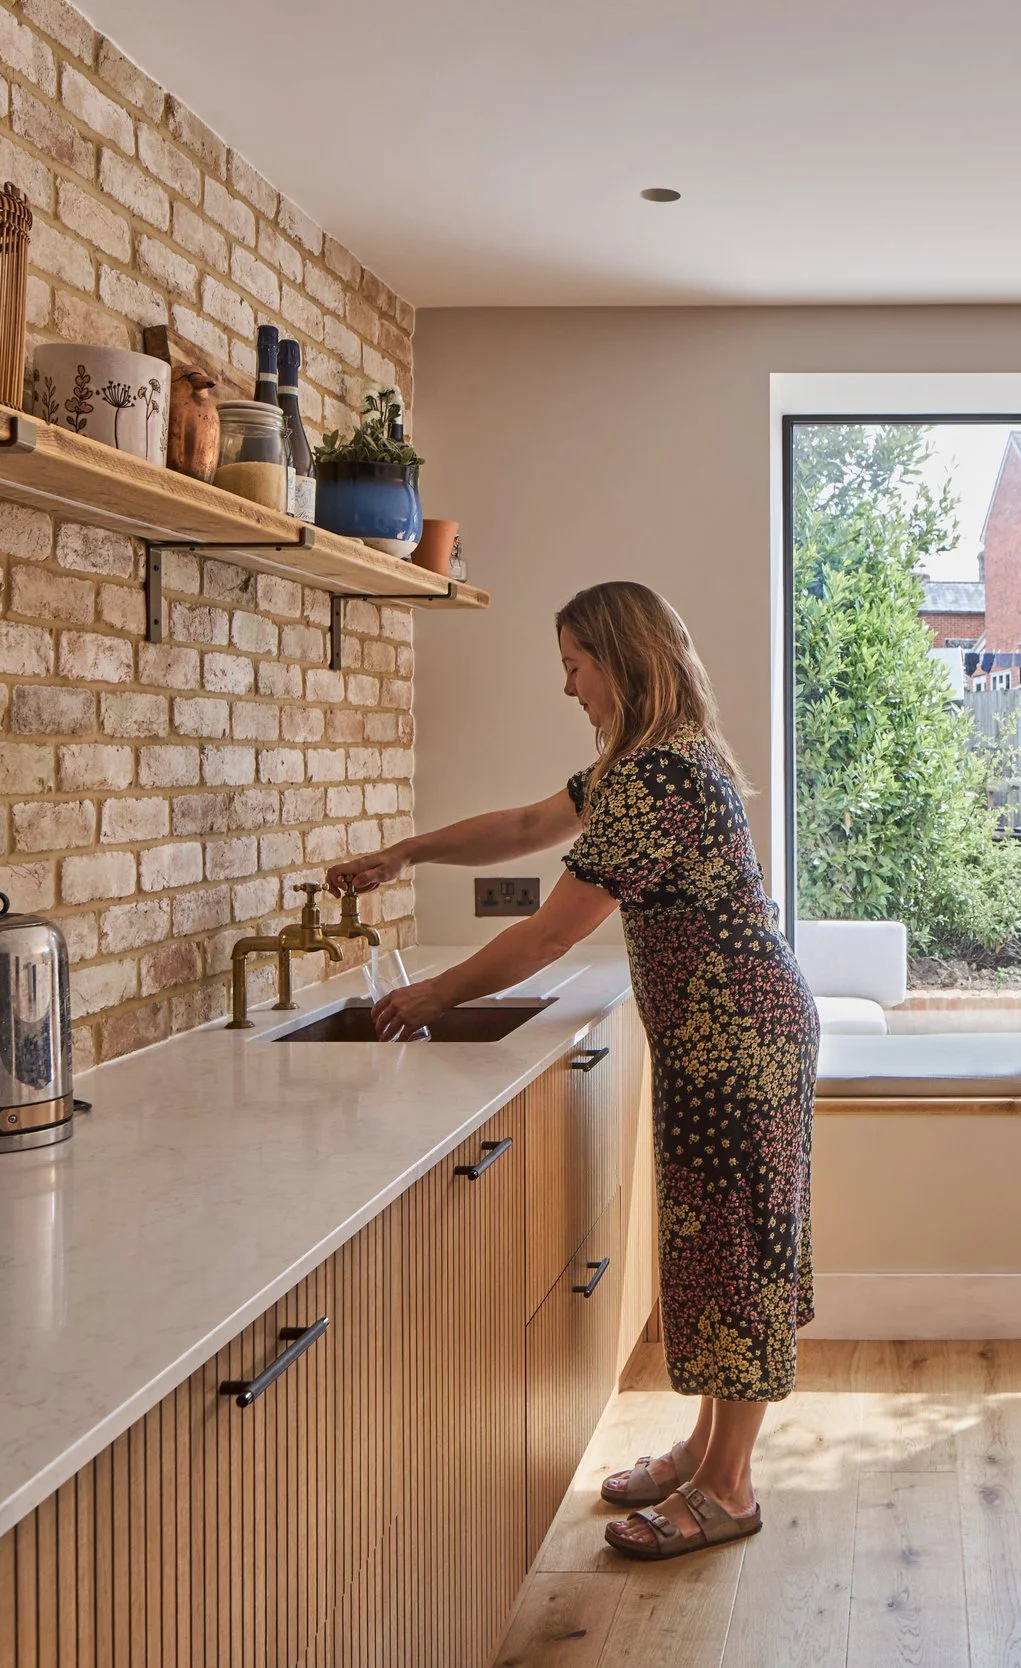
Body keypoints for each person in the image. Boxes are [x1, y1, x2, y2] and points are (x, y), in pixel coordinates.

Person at [325, 580, 816, 1562]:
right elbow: (521, 827)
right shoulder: (641, 764)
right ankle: (704, 1448)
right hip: (721, 1037)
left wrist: (430, 998)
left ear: (622, 662)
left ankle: (729, 1487)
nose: (567, 687)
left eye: (574, 666)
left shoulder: (658, 781)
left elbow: (553, 931)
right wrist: (404, 853)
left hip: (739, 1043)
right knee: (714, 1247)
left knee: (738, 1254)